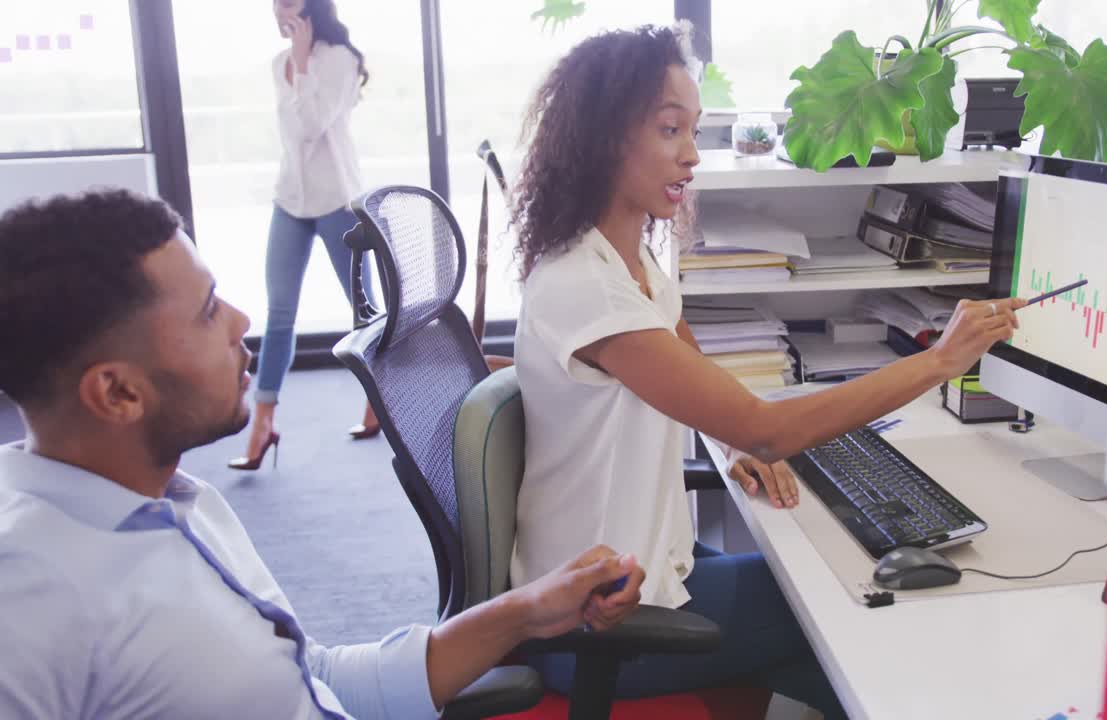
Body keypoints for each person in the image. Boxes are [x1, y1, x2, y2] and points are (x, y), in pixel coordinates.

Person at [507, 24, 1027, 719]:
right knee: (855, 614)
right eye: (670, 131)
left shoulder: (627, 262)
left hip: (646, 562)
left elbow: (688, 366)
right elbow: (769, 430)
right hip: (595, 617)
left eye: (693, 131)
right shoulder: (588, 285)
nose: (691, 156)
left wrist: (729, 439)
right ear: (604, 138)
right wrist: (941, 360)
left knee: (838, 630)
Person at [0, 189, 645, 719]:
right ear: (117, 392)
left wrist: (524, 612)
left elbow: (307, 677)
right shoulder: (31, 603)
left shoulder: (176, 499)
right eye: (204, 313)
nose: (240, 320)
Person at [232, 0, 379, 471]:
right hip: (290, 199)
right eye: (276, 3)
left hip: (337, 199)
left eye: (290, 3)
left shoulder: (341, 59)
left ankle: (379, 403)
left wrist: (301, 59)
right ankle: (262, 424)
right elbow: (293, 135)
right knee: (278, 314)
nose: (281, 10)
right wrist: (294, 62)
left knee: (364, 310)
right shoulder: (281, 65)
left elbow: (313, 125)